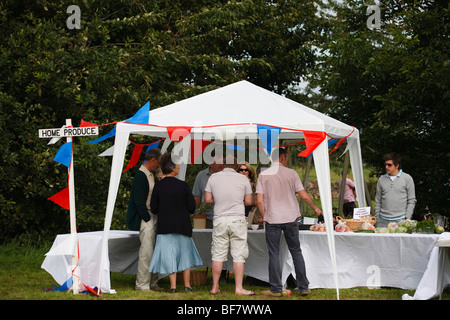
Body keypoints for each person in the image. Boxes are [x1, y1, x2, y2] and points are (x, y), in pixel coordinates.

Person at [256, 148, 322, 297]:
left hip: (272, 218)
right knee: (296, 251)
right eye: (286, 158)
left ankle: (276, 289)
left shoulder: (263, 175)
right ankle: (304, 287)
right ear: (283, 157)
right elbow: (304, 195)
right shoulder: (292, 173)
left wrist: (264, 215)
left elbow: (259, 200)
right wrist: (315, 208)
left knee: (274, 253)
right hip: (291, 218)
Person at [149, 153, 203, 293]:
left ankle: (173, 286)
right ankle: (187, 285)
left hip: (165, 226)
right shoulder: (183, 185)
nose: (179, 167)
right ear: (172, 168)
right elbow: (192, 207)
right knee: (185, 255)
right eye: (178, 165)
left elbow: (154, 208)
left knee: (169, 256)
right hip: (182, 226)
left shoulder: (159, 186)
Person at [204, 155, 254, 295]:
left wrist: (220, 201)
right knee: (239, 255)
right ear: (237, 167)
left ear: (222, 165)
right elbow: (249, 202)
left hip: (220, 219)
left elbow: (207, 199)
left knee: (218, 254)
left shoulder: (213, 177)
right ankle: (238, 288)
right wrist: (237, 202)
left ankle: (214, 287)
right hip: (237, 219)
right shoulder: (243, 179)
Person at [126, 148, 162, 291]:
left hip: (151, 214)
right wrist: (146, 218)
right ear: (152, 160)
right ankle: (142, 284)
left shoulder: (150, 175)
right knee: (146, 252)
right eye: (158, 163)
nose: (159, 166)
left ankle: (153, 282)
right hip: (145, 216)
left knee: (154, 250)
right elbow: (138, 201)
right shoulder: (141, 175)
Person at [375, 152, 416, 228]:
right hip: (382, 221)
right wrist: (377, 217)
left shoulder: (407, 178)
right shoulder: (381, 180)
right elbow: (378, 201)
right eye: (385, 164)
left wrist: (407, 217)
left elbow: (411, 200)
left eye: (389, 165)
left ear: (397, 165)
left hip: (401, 221)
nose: (386, 167)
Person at [192, 154, 223, 228]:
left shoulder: (226, 175)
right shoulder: (201, 175)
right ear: (210, 162)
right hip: (206, 218)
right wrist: (197, 215)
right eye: (218, 160)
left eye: (222, 160)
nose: (221, 163)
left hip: (223, 218)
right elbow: (197, 197)